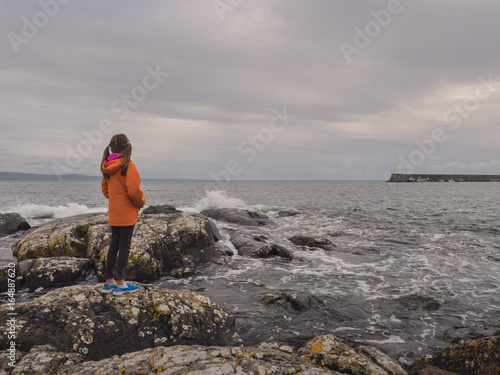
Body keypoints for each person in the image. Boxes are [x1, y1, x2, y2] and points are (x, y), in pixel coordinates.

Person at [100, 134, 146, 295]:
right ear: (127, 148)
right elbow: (134, 191)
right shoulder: (128, 166)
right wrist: (140, 202)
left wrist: (116, 200)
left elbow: (105, 189)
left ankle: (108, 282)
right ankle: (120, 284)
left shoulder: (107, 166)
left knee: (114, 244)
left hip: (114, 211)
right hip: (127, 213)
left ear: (111, 148)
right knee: (124, 246)